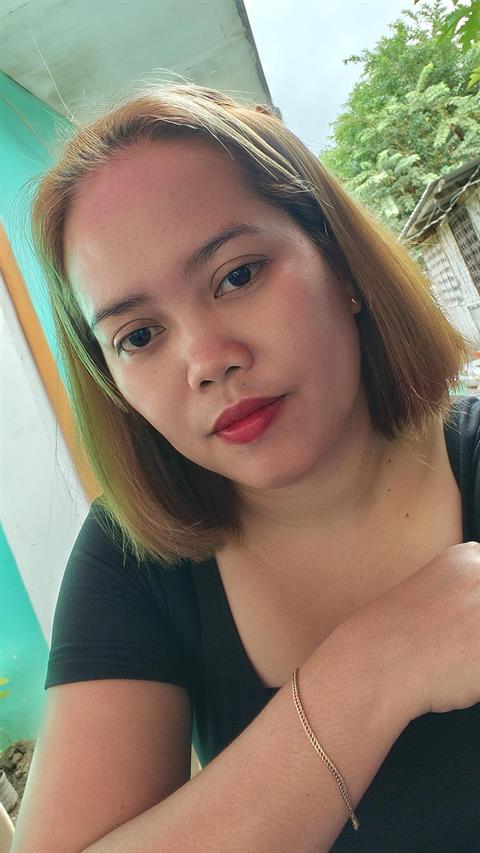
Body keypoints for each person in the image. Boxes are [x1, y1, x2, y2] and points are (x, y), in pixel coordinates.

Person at [12, 82, 479, 853]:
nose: (206, 360)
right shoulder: (134, 556)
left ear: (340, 262)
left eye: (238, 275)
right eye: (138, 336)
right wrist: (376, 664)